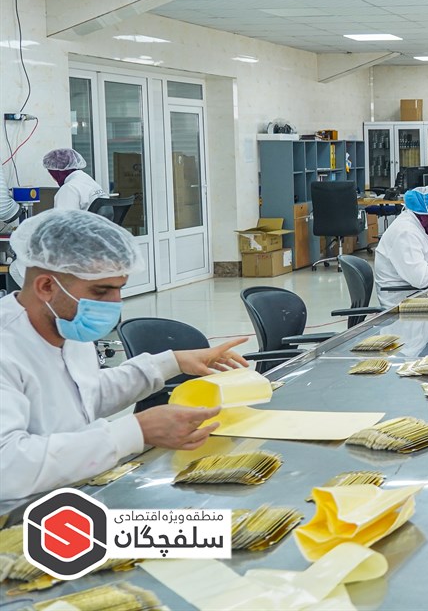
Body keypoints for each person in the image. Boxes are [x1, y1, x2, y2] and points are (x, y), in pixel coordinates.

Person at [0, 209, 250, 501]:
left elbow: (85, 396)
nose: (115, 303)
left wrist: (171, 362)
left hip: (71, 491)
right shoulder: (8, 346)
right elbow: (8, 468)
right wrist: (135, 431)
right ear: (46, 287)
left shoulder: (65, 325)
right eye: (101, 291)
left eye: (119, 289)